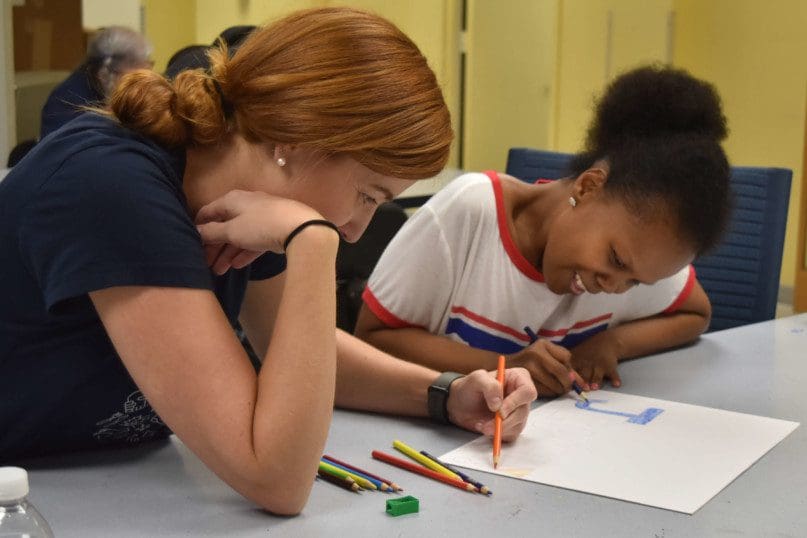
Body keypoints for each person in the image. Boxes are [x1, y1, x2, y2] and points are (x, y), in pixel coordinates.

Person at [0, 7, 536, 515]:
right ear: (295, 138)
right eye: (368, 196)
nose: (356, 229)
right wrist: (313, 242)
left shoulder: (245, 207)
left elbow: (305, 353)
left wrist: (446, 393)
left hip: (90, 480)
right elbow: (276, 478)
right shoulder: (114, 185)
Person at [355, 65, 731, 397]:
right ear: (587, 188)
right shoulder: (469, 215)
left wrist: (613, 343)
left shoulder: (636, 254)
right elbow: (371, 339)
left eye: (634, 283)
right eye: (614, 260)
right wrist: (501, 363)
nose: (613, 287)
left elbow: (696, 312)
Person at [39, 26, 153, 138]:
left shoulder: (117, 88)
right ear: (104, 75)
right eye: (133, 78)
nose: (141, 85)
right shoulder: (66, 102)